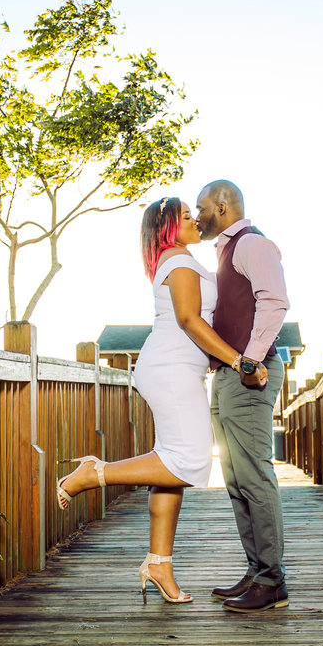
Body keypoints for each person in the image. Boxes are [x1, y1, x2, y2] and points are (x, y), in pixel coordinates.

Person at [56, 196, 253, 604]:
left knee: (172, 464)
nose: (194, 220)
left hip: (175, 369)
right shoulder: (179, 263)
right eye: (185, 216)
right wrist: (238, 361)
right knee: (189, 460)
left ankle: (159, 562)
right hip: (171, 369)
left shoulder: (179, 259)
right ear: (167, 228)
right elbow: (189, 320)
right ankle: (97, 473)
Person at [194, 179, 290, 613]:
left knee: (254, 475)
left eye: (200, 208)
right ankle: (256, 572)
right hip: (230, 375)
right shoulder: (225, 251)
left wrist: (249, 363)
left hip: (251, 374)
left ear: (222, 205)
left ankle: (272, 583)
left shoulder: (253, 244)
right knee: (235, 479)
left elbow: (275, 302)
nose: (196, 218)